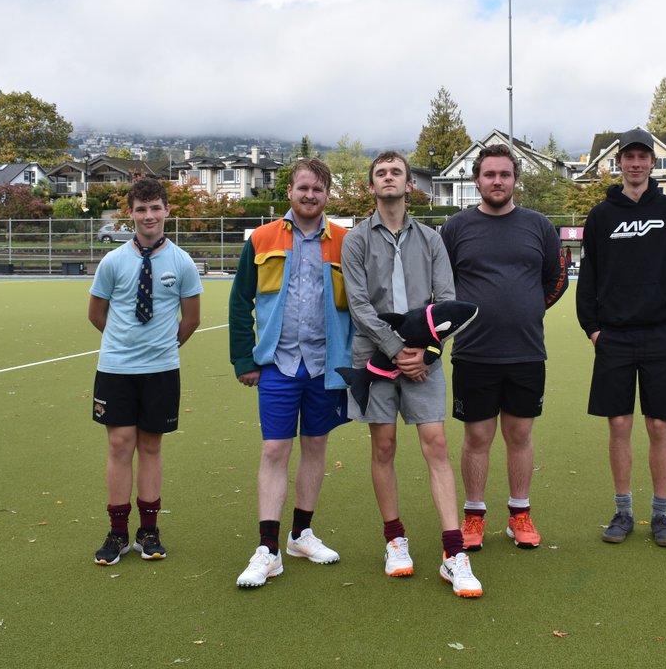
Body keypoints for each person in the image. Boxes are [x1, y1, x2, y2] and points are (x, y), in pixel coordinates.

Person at [341, 151, 482, 598]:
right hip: (375, 357)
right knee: (383, 445)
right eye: (380, 173)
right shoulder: (356, 240)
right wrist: (396, 348)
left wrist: (425, 353)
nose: (388, 179)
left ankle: (452, 552)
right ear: (372, 186)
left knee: (436, 444)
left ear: (408, 186)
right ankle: (395, 540)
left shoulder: (431, 239)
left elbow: (446, 301)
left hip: (424, 360)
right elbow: (360, 306)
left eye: (395, 173)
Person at [229, 158, 353, 588]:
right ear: (289, 191)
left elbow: (359, 306)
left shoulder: (343, 241)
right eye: (303, 188)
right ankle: (268, 548)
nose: (309, 195)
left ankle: (302, 534)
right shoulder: (262, 238)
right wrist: (244, 360)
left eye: (317, 190)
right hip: (278, 365)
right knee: (274, 451)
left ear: (327, 195)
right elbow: (239, 301)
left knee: (316, 446)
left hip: (326, 366)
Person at [440, 143, 568, 551]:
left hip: (526, 352)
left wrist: (528, 309)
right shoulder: (456, 227)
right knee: (477, 437)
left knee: (520, 434)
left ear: (515, 179)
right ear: (476, 180)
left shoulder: (539, 226)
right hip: (474, 353)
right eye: (490, 174)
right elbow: (441, 287)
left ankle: (519, 515)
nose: (498, 181)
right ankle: (474, 516)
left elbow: (556, 281)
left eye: (505, 174)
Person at [576, 128, 666, 548]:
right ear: (619, 162)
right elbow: (587, 277)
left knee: (659, 425)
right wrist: (592, 328)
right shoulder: (601, 216)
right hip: (614, 338)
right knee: (620, 423)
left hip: (662, 335)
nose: (636, 163)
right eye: (629, 157)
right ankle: (623, 511)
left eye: (643, 157)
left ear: (651, 162)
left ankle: (661, 514)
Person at [88, 177, 202, 565]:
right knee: (120, 445)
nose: (149, 216)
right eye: (141, 209)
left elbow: (191, 319)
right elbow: (96, 313)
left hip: (161, 370)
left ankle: (148, 531)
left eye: (156, 208)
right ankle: (117, 533)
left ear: (167, 211)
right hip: (116, 369)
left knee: (151, 446)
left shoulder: (182, 262)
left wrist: (161, 348)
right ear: (131, 215)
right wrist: (125, 346)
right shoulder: (114, 261)